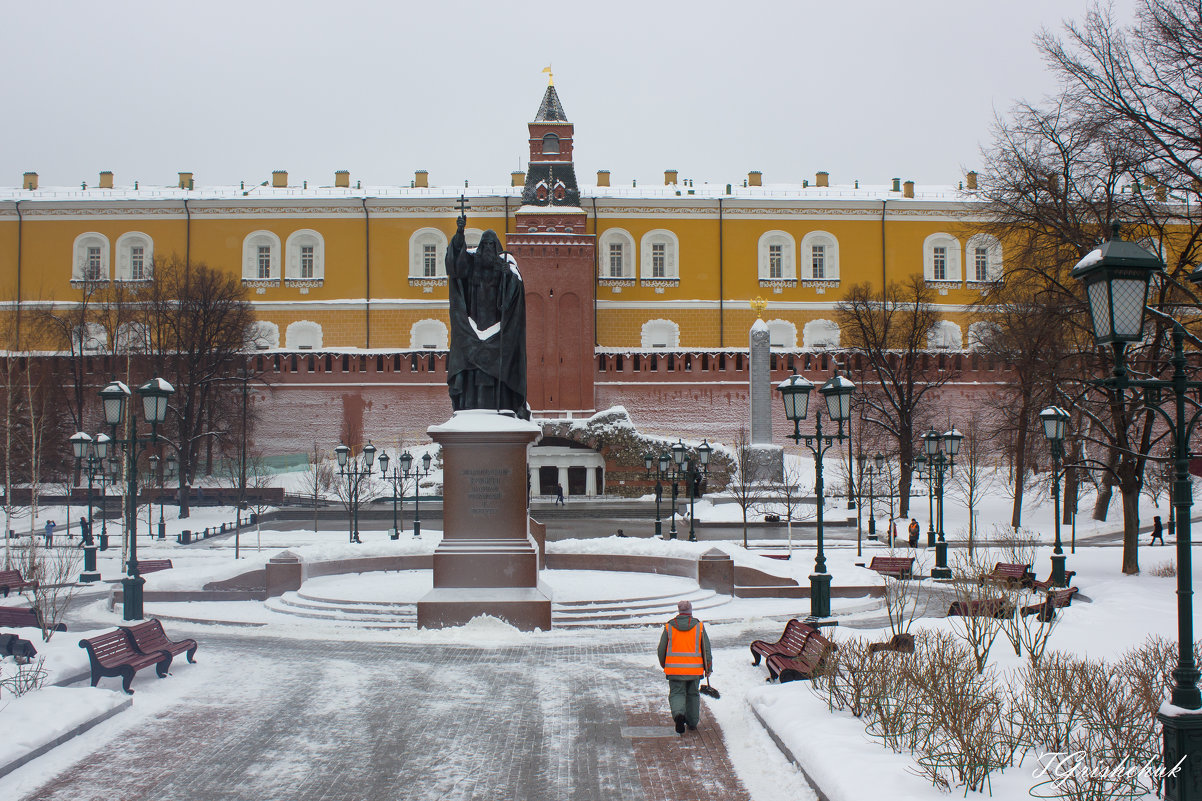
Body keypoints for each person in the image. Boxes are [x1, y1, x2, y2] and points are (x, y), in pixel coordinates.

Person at [445, 212, 529, 418]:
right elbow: (457, 266)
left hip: (498, 331)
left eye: (493, 245)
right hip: (473, 328)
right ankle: (469, 404)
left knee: (500, 367)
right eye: (485, 245)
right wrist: (459, 234)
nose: (488, 249)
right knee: (471, 368)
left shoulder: (507, 265)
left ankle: (506, 405)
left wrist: (506, 274)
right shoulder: (472, 264)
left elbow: (516, 292)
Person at [657, 599, 713, 734]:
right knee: (693, 694)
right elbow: (706, 649)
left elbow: (661, 649)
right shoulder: (699, 626)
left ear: (679, 611)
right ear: (690, 611)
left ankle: (679, 715)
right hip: (695, 670)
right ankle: (692, 722)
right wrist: (708, 668)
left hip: (674, 670)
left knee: (677, 693)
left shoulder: (669, 626)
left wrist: (664, 664)